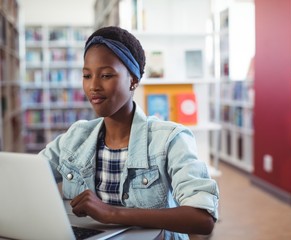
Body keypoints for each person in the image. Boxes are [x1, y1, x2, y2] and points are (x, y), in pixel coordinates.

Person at [39, 26, 219, 240]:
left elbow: (202, 218)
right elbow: (27, 179)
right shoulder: (76, 137)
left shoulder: (170, 139)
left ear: (133, 80)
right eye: (87, 75)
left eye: (106, 75)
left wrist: (112, 213)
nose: (93, 86)